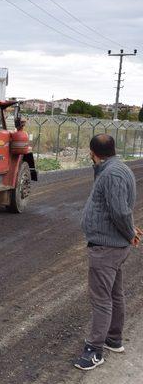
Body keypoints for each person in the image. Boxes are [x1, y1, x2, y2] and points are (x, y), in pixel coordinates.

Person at [75, 134, 141, 370]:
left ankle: (95, 350)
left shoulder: (112, 174)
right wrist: (129, 230)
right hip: (113, 246)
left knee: (102, 299)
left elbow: (120, 212)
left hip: (107, 248)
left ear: (93, 152)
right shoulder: (117, 168)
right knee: (115, 294)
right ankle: (114, 339)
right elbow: (120, 208)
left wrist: (129, 233)